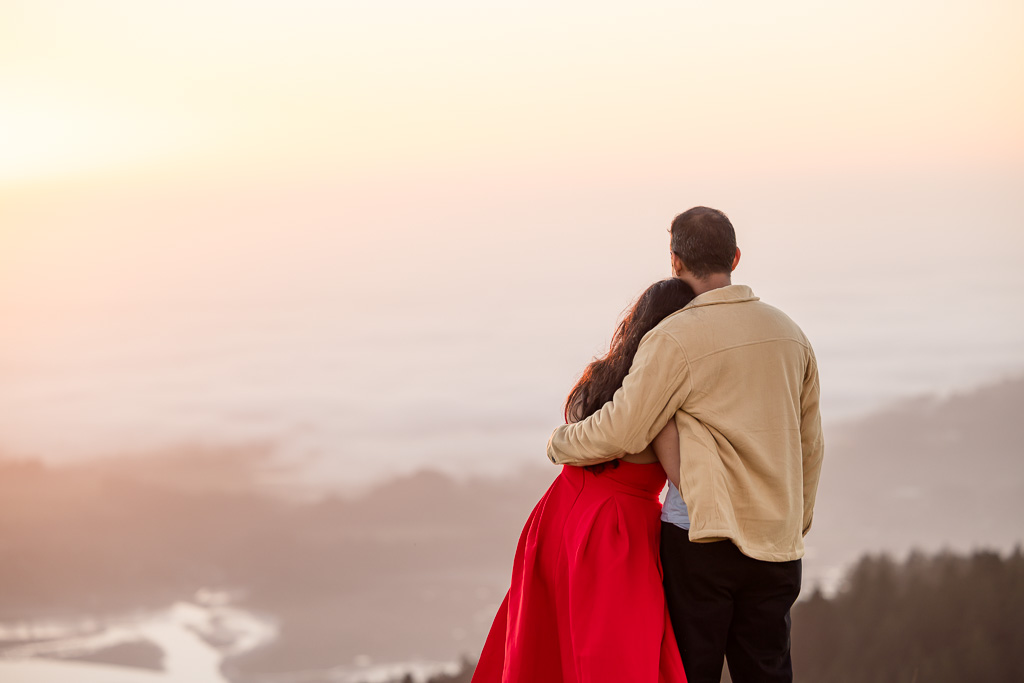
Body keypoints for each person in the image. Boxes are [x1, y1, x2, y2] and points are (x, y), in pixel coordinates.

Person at [547, 207, 825, 683]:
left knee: (690, 672)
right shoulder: (791, 335)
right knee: (768, 672)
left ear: (674, 262)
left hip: (701, 538)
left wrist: (561, 442)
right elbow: (810, 445)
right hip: (777, 542)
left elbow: (623, 429)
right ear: (735, 257)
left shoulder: (672, 337)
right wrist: (793, 523)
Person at [472, 278, 694, 683]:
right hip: (614, 532)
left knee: (548, 648)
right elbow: (687, 481)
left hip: (558, 513)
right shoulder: (660, 399)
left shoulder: (599, 378)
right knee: (614, 657)